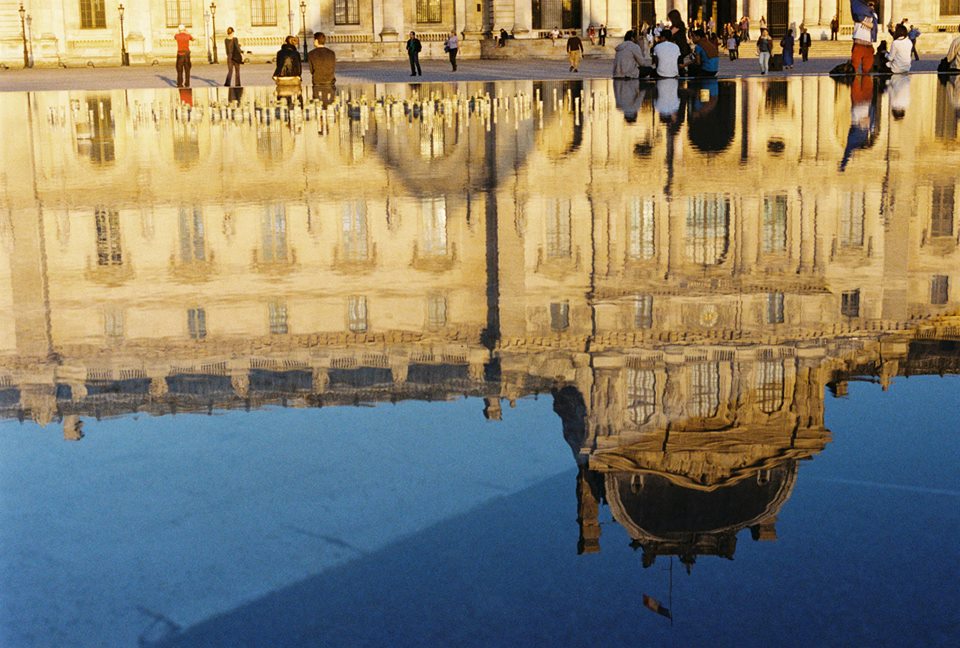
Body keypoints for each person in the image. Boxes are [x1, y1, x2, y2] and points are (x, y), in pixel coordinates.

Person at [851, 0, 879, 74]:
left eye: (873, 5)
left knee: (867, 69)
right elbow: (856, 16)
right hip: (858, 43)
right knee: (854, 67)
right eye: (870, 4)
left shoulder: (874, 16)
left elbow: (873, 26)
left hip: (868, 44)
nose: (872, 6)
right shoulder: (857, 13)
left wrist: (862, 21)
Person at [308, 31, 336, 99]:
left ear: (316, 40)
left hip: (317, 81)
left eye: (314, 40)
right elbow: (333, 67)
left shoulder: (311, 54)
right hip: (330, 81)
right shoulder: (331, 53)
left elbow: (311, 70)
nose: (313, 42)